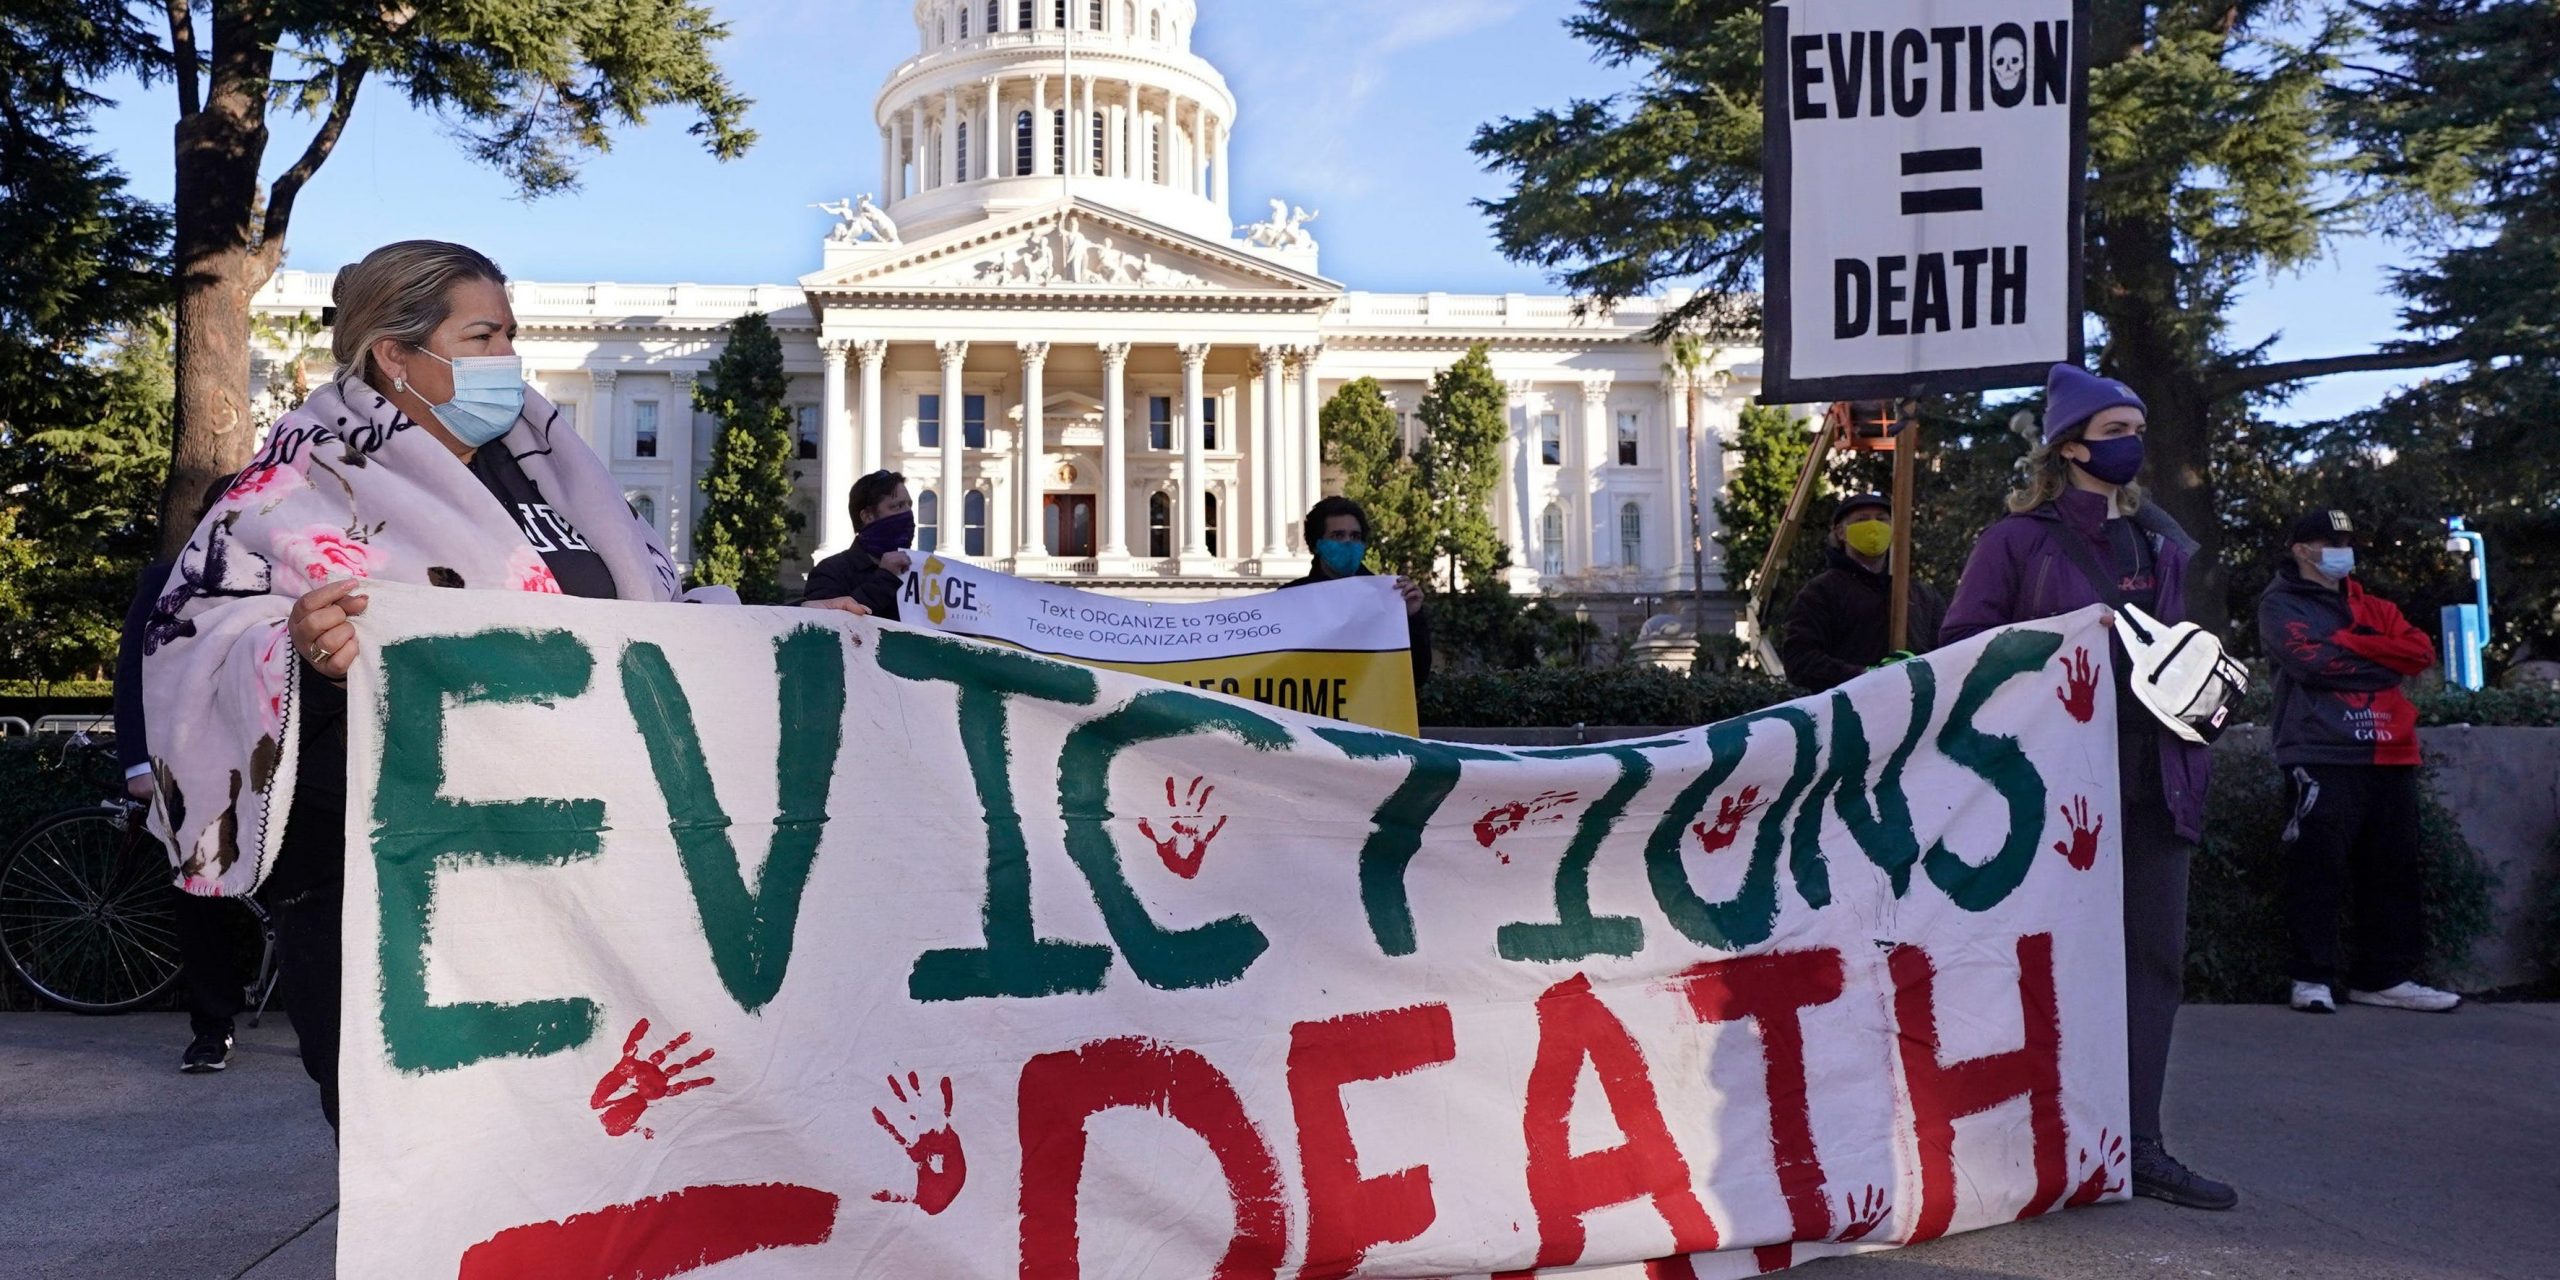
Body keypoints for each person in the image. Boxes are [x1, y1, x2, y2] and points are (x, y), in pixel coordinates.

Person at [142, 240, 863, 1130]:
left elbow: (649, 623)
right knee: (437, 1162)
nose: (508, 361)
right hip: (393, 895)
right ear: (395, 356)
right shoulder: (292, 486)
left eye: (512, 336)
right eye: (482, 337)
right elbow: (192, 641)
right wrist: (301, 657)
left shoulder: (548, 465)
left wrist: (791, 625)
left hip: (579, 887)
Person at [1940, 363, 2237, 1211]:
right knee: (2036, 965)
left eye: (2137, 427)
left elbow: (2180, 647)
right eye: (2114, 432)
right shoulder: (2017, 541)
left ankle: (2137, 1146)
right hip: (2057, 786)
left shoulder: (2160, 539)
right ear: (2068, 447)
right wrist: (2060, 650)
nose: (2132, 444)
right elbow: (1964, 647)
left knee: (2153, 964)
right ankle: (2018, 1146)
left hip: (2159, 776)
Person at [2257, 509, 2459, 1015]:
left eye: (2348, 540)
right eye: (2331, 540)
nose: (2344, 549)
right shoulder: (2280, 604)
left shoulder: (2374, 605)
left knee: (2393, 866)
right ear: (2302, 549)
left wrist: (2349, 644)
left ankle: (2383, 977)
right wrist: (2379, 659)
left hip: (2391, 749)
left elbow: (2418, 653)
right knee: (2316, 865)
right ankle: (2310, 978)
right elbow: (2309, 662)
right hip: (2318, 751)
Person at [116, 473, 250, 1073]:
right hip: (194, 763)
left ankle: (317, 1018)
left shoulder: (286, 574)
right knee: (201, 896)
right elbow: (131, 677)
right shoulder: (167, 580)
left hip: (272, 760)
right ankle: (211, 1026)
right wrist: (139, 764)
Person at [1777, 492, 1947, 693]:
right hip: (1851, 714)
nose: (1873, 526)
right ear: (1841, 532)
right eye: (1862, 520)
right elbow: (1800, 661)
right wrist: (1863, 676)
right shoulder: (1821, 592)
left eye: (1881, 519)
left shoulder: (1921, 594)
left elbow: (1947, 650)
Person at [1282, 496, 1430, 690]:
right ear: (1317, 544)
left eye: (1355, 536)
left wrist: (1411, 618)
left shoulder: (1391, 598)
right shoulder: (1289, 599)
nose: (1348, 543)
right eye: (1338, 535)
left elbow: (1416, 676)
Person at [801, 469, 913, 620]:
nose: (908, 514)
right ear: (867, 516)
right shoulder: (831, 572)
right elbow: (831, 629)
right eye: (897, 506)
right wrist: (885, 578)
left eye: (909, 505)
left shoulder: (919, 571)